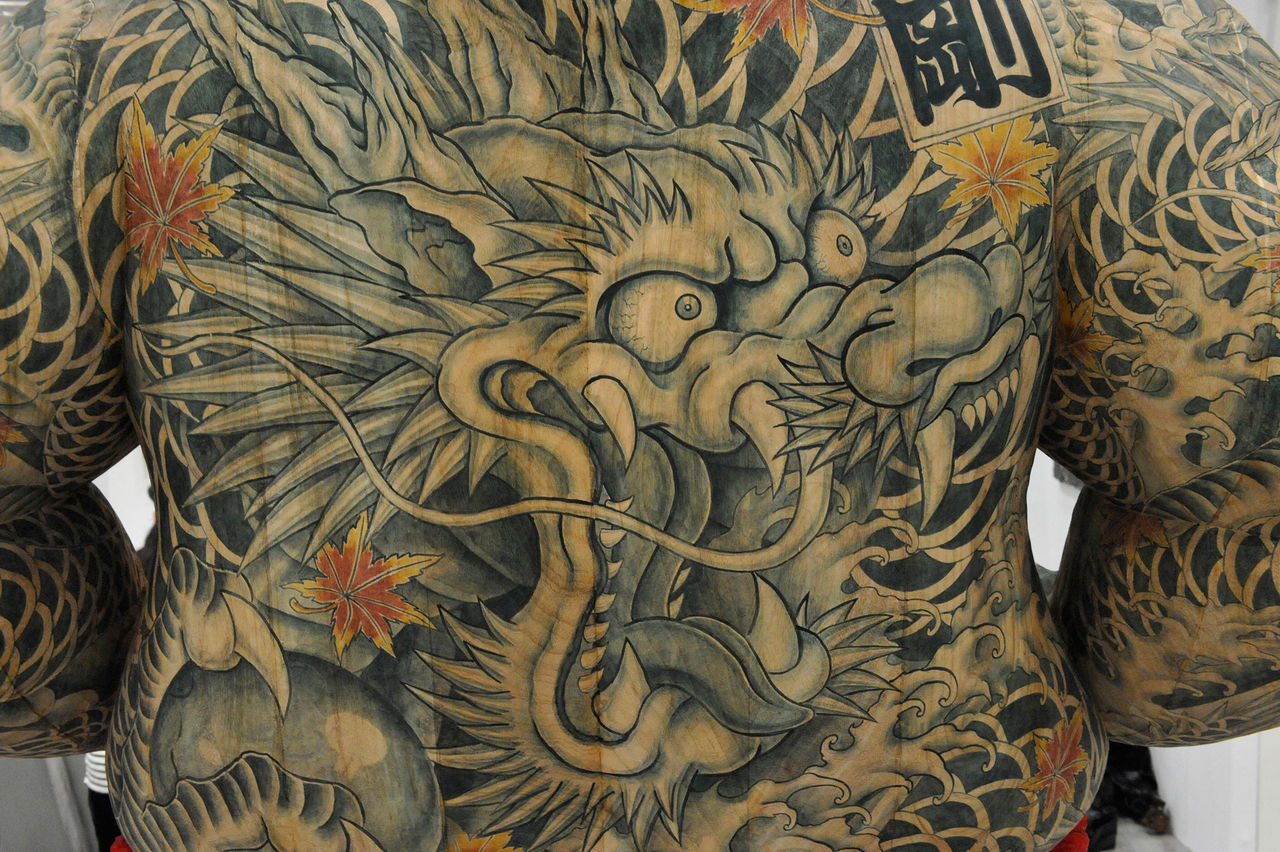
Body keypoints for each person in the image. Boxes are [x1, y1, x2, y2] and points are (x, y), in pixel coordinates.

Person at [2, 0, 1278, 848]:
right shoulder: (1094, 36)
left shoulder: (110, 43)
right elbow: (1227, 595)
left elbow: (18, 644)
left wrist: (157, 643)